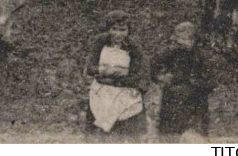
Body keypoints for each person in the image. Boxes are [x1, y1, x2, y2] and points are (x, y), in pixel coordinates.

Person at [87, 10, 147, 139]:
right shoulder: (100, 41)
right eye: (114, 29)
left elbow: (138, 74)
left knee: (128, 115)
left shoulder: (133, 47)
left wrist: (119, 78)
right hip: (101, 88)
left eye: (122, 30)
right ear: (108, 29)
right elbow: (90, 68)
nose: (118, 34)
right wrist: (103, 71)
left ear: (128, 31)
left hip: (124, 89)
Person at [152, 21, 215, 141]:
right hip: (173, 98)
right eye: (177, 39)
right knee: (170, 134)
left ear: (193, 40)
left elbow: (211, 81)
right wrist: (162, 77)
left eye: (185, 39)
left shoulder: (200, 56)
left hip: (195, 100)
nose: (180, 43)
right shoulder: (172, 52)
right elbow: (155, 64)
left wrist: (196, 82)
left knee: (195, 136)